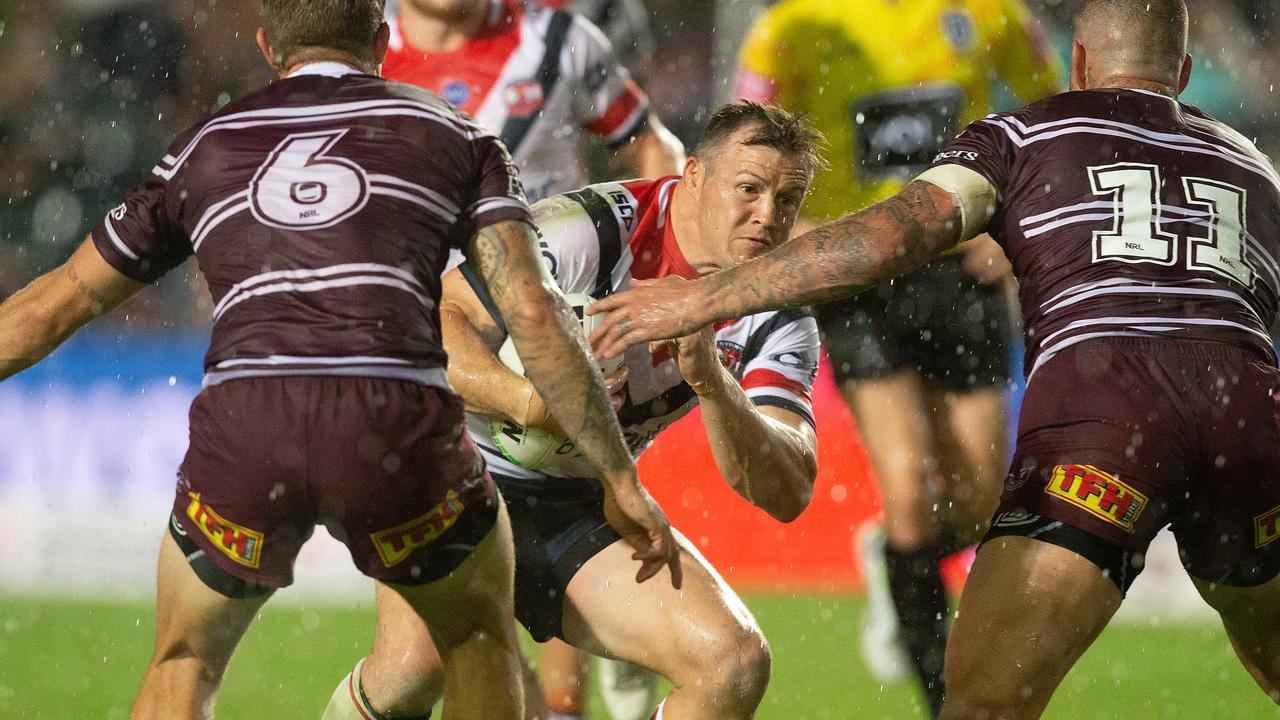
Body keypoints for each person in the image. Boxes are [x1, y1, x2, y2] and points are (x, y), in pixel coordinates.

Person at [590, 1, 1280, 717]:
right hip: (1250, 422)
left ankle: (913, 586)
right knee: (915, 505)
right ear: (1186, 74)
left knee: (984, 685)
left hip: (1086, 400)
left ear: (1081, 64)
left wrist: (702, 298)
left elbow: (890, 236)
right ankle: (908, 565)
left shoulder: (1014, 116)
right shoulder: (1254, 165)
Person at [0, 1, 682, 718]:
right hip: (391, 426)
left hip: (248, 429)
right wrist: (617, 474)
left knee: (187, 659)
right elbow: (535, 315)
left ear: (268, 47)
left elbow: (55, 306)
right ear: (382, 43)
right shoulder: (460, 137)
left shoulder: (204, 144)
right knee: (478, 636)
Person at [357, 101, 824, 720]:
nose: (767, 215)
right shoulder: (591, 230)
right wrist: (533, 401)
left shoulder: (781, 315)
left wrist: (711, 379)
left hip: (577, 499)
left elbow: (788, 489)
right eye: (749, 189)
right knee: (415, 672)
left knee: (731, 664)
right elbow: (431, 326)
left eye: (787, 200)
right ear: (694, 179)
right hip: (451, 467)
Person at [733, 1, 1062, 711]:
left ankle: (900, 560)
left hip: (956, 265)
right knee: (911, 497)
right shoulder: (793, 28)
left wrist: (1014, 222)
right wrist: (796, 227)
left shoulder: (989, 12)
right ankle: (942, 698)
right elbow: (741, 141)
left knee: (981, 505)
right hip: (859, 276)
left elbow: (1058, 118)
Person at [383, 0, 683, 205]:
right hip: (415, 288)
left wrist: (658, 246)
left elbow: (649, 145)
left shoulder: (560, 39)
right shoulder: (359, 53)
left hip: (554, 284)